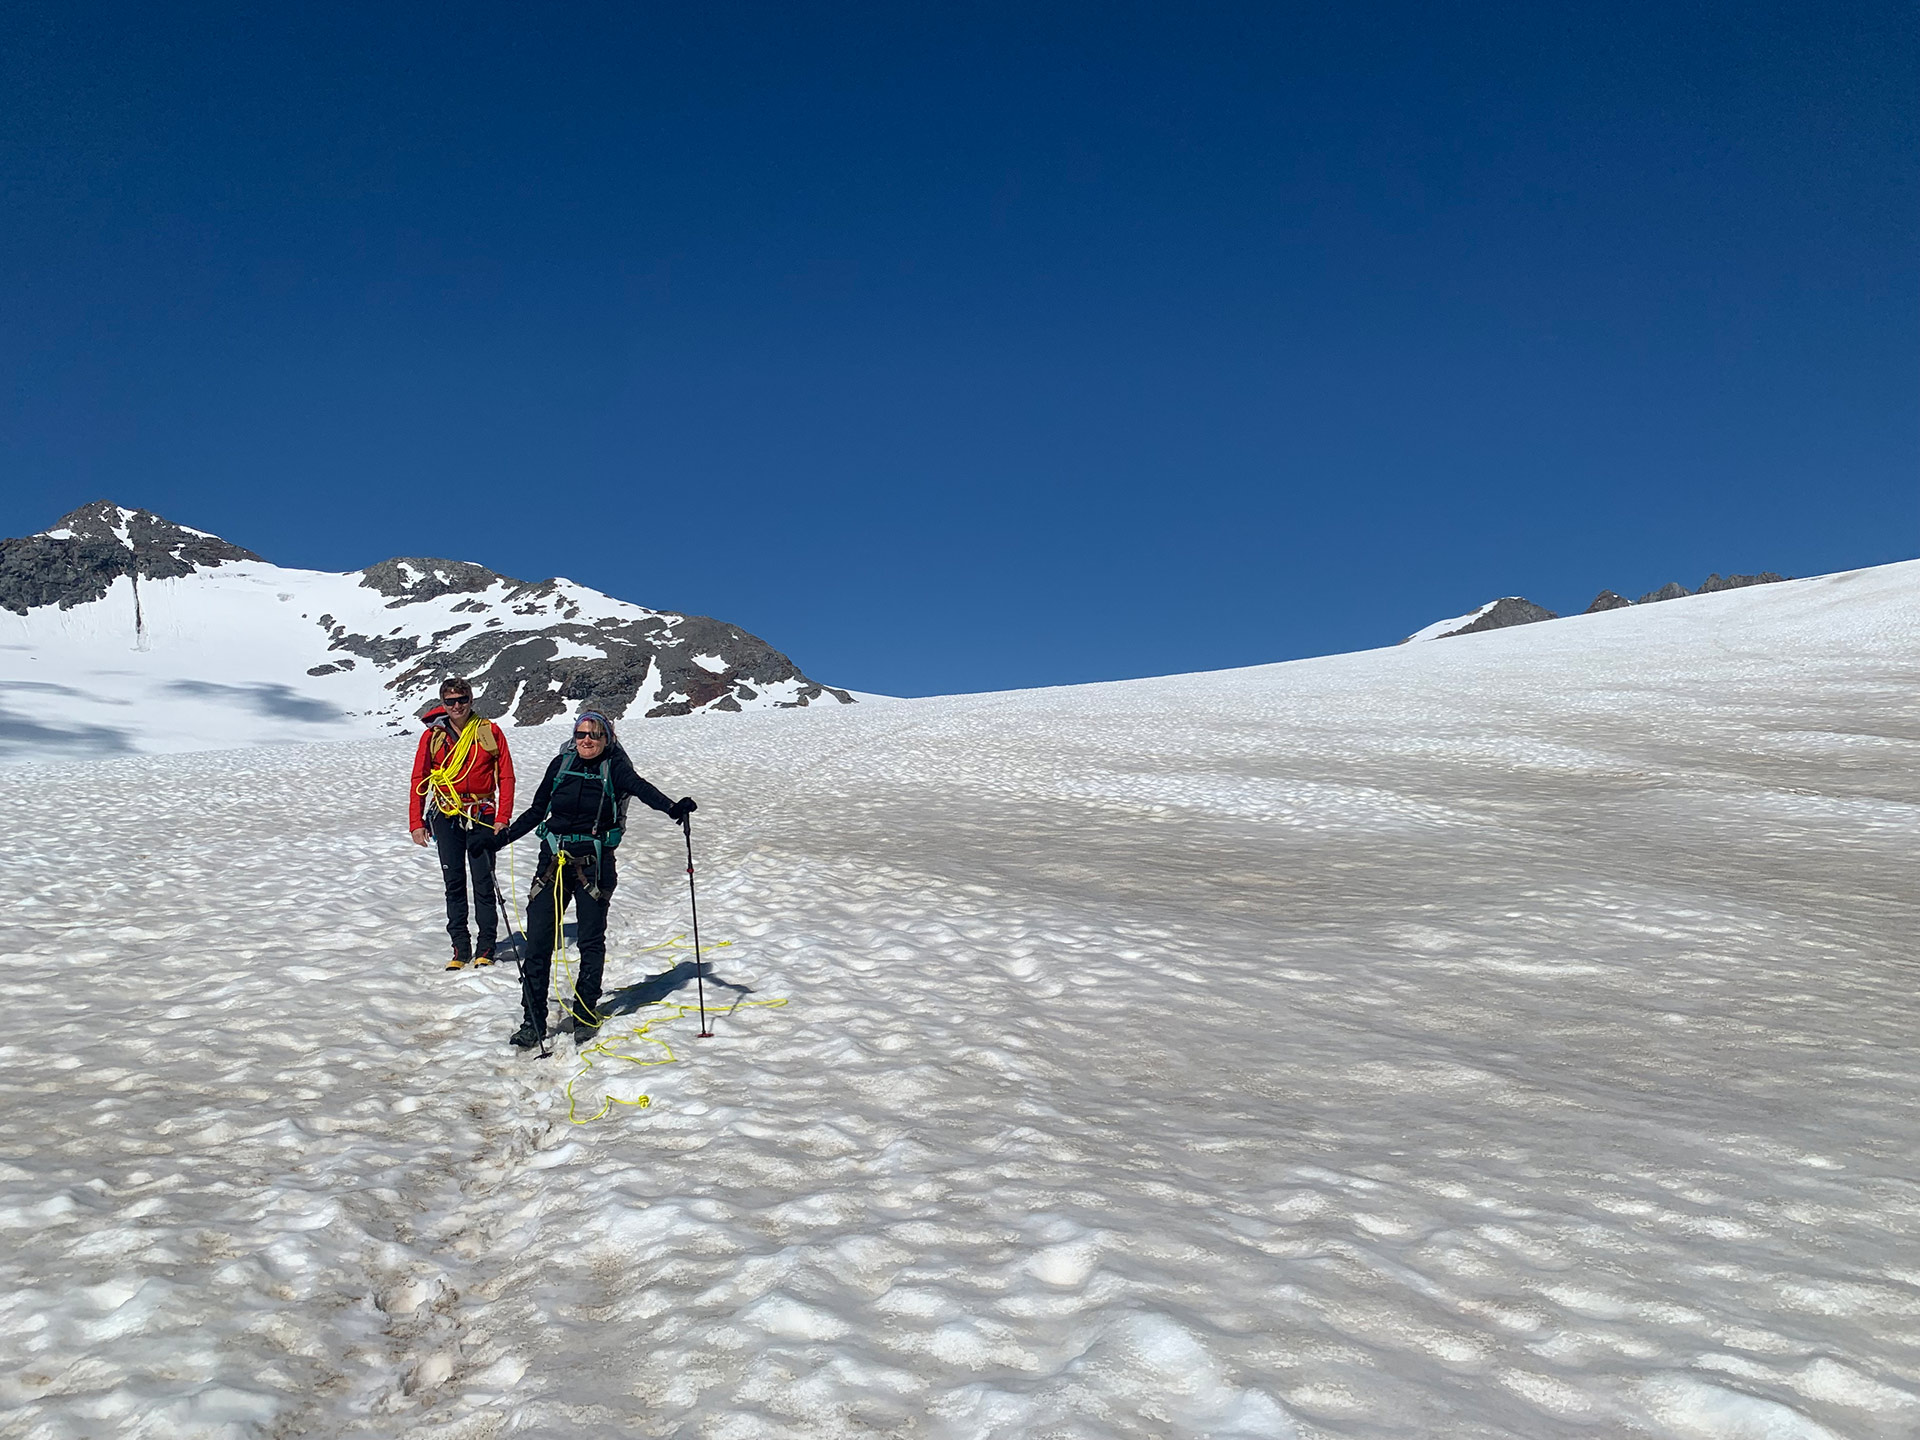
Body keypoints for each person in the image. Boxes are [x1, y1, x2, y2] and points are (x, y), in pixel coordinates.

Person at [486, 710, 695, 1049]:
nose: (586, 740)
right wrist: (499, 840)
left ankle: (584, 1012)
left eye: (594, 735)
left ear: (606, 739)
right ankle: (533, 1021)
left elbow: (642, 789)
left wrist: (673, 808)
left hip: (594, 865)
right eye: (581, 734)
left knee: (590, 940)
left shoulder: (615, 767)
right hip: (552, 862)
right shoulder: (560, 765)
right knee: (538, 942)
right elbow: (538, 811)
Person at [408, 677, 516, 970]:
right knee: (453, 882)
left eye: (462, 700)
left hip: (480, 813)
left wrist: (503, 817)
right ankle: (460, 946)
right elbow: (419, 778)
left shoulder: (489, 731)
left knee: (483, 881)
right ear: (443, 704)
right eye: (450, 701)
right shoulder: (433, 736)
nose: (456, 706)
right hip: (446, 813)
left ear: (471, 700)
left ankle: (486, 946)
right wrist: (416, 822)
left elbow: (505, 776)